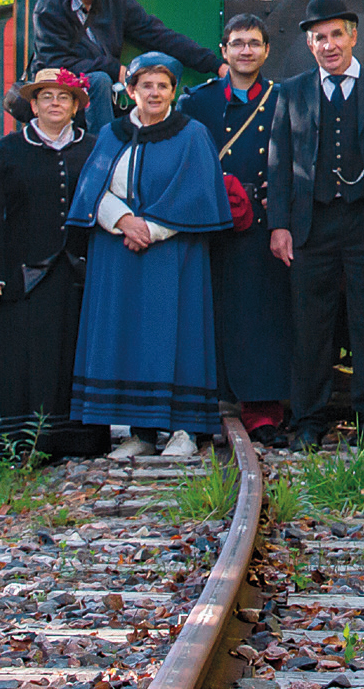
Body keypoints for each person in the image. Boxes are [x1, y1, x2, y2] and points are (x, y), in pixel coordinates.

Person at [68, 52, 232, 458]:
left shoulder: (192, 134)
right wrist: (124, 220)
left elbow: (196, 192)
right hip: (119, 252)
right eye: (147, 85)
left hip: (174, 253)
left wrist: (151, 229)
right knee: (128, 337)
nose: (155, 93)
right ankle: (139, 434)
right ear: (131, 91)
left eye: (163, 86)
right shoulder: (111, 134)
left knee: (176, 335)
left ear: (174, 91)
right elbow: (92, 189)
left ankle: (184, 431)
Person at [266, 0, 364, 451]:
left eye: (336, 35)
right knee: (310, 327)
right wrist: (278, 224)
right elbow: (279, 163)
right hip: (311, 224)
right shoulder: (292, 91)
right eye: (319, 38)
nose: (329, 45)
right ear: (309, 44)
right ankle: (308, 420)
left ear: (353, 37)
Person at [0, 68, 110, 460]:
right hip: (22, 271)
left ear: (76, 106)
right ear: (33, 105)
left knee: (73, 353)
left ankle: (77, 442)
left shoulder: (95, 148)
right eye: (46, 96)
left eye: (63, 97)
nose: (54, 103)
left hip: (80, 269)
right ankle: (16, 444)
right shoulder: (5, 150)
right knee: (22, 355)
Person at [182, 15, 292, 443]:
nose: (246, 50)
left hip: (262, 222)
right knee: (211, 309)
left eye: (254, 43)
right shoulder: (197, 102)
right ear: (224, 51)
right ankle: (212, 399)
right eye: (237, 43)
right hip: (212, 218)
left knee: (261, 314)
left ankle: (262, 407)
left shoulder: (282, 98)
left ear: (266, 51)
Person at [30, 0, 223, 127]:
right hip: (64, 89)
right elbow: (56, 62)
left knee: (168, 65)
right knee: (99, 79)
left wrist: (215, 65)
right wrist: (115, 70)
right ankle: (104, 150)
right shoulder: (49, 8)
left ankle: (163, 131)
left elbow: (157, 35)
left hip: (111, 86)